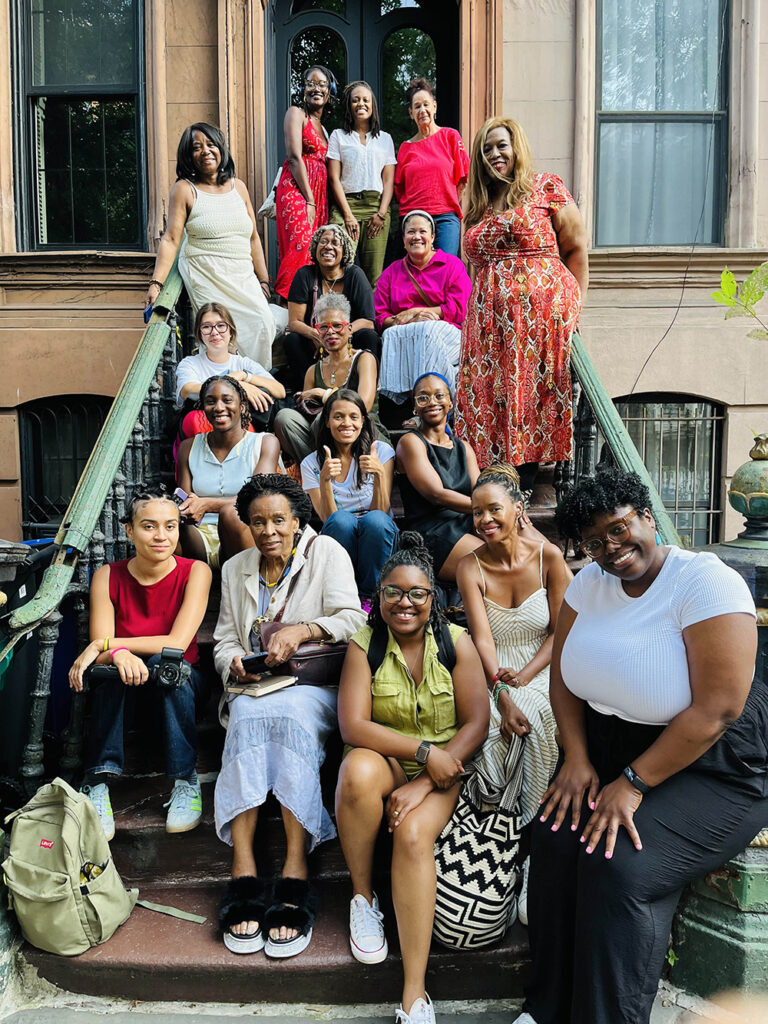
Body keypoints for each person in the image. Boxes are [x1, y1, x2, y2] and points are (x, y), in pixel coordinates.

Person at [516, 468, 767, 1024]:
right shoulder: (588, 584)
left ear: (646, 517)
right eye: (594, 541)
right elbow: (562, 678)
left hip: (710, 764)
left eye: (620, 528)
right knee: (555, 841)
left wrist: (632, 785)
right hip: (608, 749)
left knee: (617, 864)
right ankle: (547, 1008)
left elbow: (719, 709)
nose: (611, 547)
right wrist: (577, 759)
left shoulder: (704, 581)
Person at [335, 534, 489, 1024]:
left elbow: (478, 722)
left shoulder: (455, 643)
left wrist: (427, 777)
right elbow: (353, 726)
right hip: (389, 758)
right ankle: (363, 897)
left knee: (414, 833)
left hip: (447, 770)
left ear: (433, 601)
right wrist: (421, 753)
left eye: (417, 593)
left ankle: (414, 996)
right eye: (393, 592)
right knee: (356, 770)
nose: (405, 602)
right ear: (377, 598)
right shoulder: (366, 644)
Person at [213, 475, 366, 958]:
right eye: (257, 522)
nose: (268, 530)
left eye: (278, 519)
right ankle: (244, 870)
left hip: (310, 686)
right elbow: (223, 640)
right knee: (247, 718)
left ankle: (296, 866)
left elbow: (353, 619)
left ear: (297, 520)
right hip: (255, 687)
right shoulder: (235, 567)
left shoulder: (327, 554)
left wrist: (302, 629)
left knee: (289, 720)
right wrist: (233, 661)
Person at [457, 464, 572, 922]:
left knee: (535, 713)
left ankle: (526, 852)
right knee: (504, 723)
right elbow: (482, 639)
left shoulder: (550, 557)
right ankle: (511, 851)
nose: (484, 520)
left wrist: (523, 677)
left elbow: (562, 632)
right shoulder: (470, 566)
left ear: (519, 510)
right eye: (476, 512)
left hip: (543, 667)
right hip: (491, 671)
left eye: (494, 510)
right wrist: (502, 689)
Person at [455, 118, 589, 496]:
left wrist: (573, 309)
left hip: (538, 321)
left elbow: (576, 249)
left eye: (501, 146)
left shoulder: (546, 187)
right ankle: (491, 494)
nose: (494, 155)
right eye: (486, 149)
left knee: (527, 401)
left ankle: (520, 496)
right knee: (485, 404)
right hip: (487, 326)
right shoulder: (479, 206)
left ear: (517, 148)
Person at [68, 491, 211, 840]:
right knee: (114, 670)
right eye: (149, 526)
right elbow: (103, 649)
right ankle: (97, 782)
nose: (161, 536)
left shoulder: (197, 572)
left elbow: (176, 643)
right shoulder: (107, 575)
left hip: (182, 686)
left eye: (170, 526)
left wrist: (106, 645)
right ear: (130, 531)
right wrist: (116, 654)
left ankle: (185, 779)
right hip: (127, 693)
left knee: (167, 662)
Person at [145, 123, 275, 367]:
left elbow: (253, 238)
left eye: (211, 144)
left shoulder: (239, 187)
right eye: (197, 147)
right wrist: (156, 283)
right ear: (188, 155)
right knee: (220, 333)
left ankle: (256, 383)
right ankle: (227, 391)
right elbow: (172, 239)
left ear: (221, 149)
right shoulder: (184, 189)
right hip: (206, 271)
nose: (205, 151)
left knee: (263, 322)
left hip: (242, 272)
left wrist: (264, 280)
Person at [301, 389, 398, 606]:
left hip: (378, 537)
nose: (347, 423)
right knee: (342, 520)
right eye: (338, 417)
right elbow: (328, 520)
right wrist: (325, 480)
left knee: (375, 521)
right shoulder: (311, 464)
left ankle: (372, 597)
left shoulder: (380, 452)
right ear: (327, 422)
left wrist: (379, 474)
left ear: (363, 421)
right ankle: (343, 593)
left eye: (353, 417)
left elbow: (381, 512)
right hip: (341, 534)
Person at [177, 376, 281, 567]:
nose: (218, 407)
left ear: (242, 406)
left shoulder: (265, 443)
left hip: (245, 531)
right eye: (210, 401)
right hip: (199, 535)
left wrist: (207, 504)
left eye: (227, 400)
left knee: (231, 514)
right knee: (168, 521)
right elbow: (186, 500)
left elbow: (259, 498)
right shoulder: (188, 447)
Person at [374, 212, 471, 412]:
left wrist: (418, 312)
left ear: (433, 237)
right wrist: (410, 320)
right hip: (406, 334)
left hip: (447, 334)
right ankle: (399, 406)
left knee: (429, 332)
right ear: (403, 239)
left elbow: (461, 308)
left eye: (422, 231)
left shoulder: (452, 266)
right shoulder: (391, 272)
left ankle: (430, 407)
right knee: (391, 334)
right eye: (411, 232)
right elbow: (380, 317)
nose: (416, 237)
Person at [274, 294, 386, 466]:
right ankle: (320, 470)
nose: (330, 332)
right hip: (322, 436)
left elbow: (364, 405)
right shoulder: (313, 370)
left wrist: (323, 394)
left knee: (327, 418)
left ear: (349, 329)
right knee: (284, 417)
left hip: (362, 432)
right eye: (323, 327)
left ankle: (335, 470)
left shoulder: (364, 359)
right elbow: (305, 412)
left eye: (337, 325)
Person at [395, 374, 482, 583]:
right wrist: (487, 508)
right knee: (499, 563)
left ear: (450, 401)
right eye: (423, 397)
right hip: (433, 531)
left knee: (540, 550)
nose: (432, 402)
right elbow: (437, 494)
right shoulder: (410, 442)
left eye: (439, 395)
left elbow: (480, 490)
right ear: (415, 407)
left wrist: (504, 508)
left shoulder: (463, 447)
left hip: (468, 521)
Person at [284, 224, 380, 391]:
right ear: (315, 248)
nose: (328, 246)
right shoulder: (304, 275)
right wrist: (318, 335)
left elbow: (368, 321)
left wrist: (338, 335)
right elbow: (295, 322)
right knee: (292, 340)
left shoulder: (355, 275)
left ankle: (365, 390)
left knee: (369, 336)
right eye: (323, 242)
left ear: (344, 251)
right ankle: (308, 392)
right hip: (316, 343)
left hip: (349, 341)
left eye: (335, 243)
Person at [175, 303, 286, 440]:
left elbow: (280, 390)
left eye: (221, 326)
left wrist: (245, 376)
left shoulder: (243, 363)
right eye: (206, 327)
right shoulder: (190, 363)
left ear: (231, 331)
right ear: (200, 334)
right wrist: (236, 384)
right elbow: (187, 390)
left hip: (241, 426)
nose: (214, 332)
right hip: (203, 426)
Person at [275, 66, 336, 300]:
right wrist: (310, 200)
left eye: (322, 84)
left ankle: (305, 311)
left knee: (313, 254)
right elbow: (294, 156)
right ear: (302, 89)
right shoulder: (296, 114)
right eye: (311, 83)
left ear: (329, 92)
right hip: (297, 190)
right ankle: (285, 310)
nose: (316, 88)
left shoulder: (325, 129)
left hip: (319, 196)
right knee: (298, 248)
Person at [327, 81, 397, 286]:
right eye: (355, 100)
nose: (361, 104)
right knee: (338, 265)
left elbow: (388, 179)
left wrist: (382, 213)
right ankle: (336, 316)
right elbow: (334, 178)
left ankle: (369, 318)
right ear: (349, 105)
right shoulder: (338, 136)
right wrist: (348, 215)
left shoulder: (385, 139)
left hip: (376, 208)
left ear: (372, 105)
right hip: (345, 206)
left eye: (365, 100)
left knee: (373, 276)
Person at [393, 78, 469, 257]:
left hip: (445, 217)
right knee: (417, 274)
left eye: (426, 104)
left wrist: (445, 202)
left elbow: (463, 179)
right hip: (414, 219)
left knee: (445, 268)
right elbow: (399, 188)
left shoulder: (450, 136)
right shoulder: (406, 147)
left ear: (434, 107)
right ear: (411, 113)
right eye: (417, 106)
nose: (422, 110)